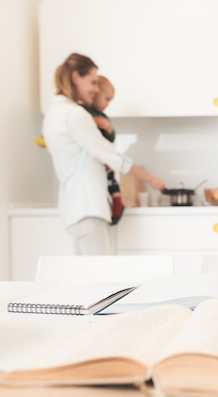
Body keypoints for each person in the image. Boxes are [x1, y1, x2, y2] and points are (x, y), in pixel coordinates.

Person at [42, 52, 165, 255]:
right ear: (75, 77)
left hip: (73, 209)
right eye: (92, 82)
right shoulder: (75, 115)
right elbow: (112, 157)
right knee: (102, 280)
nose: (96, 90)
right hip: (89, 208)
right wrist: (151, 179)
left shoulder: (53, 114)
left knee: (87, 281)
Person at [80, 75, 123, 225]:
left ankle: (117, 201)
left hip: (104, 159)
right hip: (94, 159)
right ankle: (114, 201)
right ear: (95, 93)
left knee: (111, 179)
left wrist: (109, 128)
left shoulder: (103, 116)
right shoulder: (82, 112)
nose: (108, 104)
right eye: (106, 99)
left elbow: (111, 138)